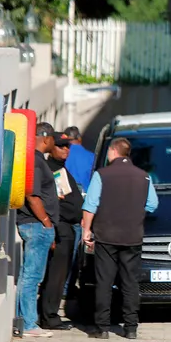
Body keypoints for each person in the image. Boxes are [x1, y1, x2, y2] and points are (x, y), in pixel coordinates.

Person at [82, 137, 159, 340]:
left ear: (114, 152)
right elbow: (152, 204)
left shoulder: (102, 175)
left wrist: (86, 230)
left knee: (104, 282)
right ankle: (131, 327)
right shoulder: (144, 176)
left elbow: (90, 205)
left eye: (109, 152)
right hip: (133, 236)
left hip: (106, 235)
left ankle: (103, 328)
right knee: (130, 282)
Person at [15, 122, 60, 338]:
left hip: (37, 225)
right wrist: (46, 221)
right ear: (46, 138)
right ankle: (30, 324)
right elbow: (32, 195)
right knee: (32, 276)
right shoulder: (35, 161)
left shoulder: (38, 161)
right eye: (54, 139)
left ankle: (23, 321)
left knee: (30, 275)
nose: (55, 142)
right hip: (36, 224)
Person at [39, 134, 83, 330]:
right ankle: (49, 317)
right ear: (51, 146)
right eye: (61, 146)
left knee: (60, 275)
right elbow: (51, 202)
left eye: (68, 146)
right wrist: (53, 230)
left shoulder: (61, 169)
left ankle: (51, 313)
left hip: (67, 229)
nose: (66, 149)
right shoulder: (50, 169)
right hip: (60, 229)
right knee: (55, 276)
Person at [61, 126, 92, 298]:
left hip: (64, 206)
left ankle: (62, 286)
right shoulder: (90, 156)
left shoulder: (62, 155)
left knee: (63, 249)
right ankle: (70, 285)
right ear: (79, 139)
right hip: (83, 207)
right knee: (78, 249)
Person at [63, 125, 95, 191]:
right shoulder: (92, 156)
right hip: (86, 195)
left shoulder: (62, 155)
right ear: (79, 138)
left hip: (66, 196)